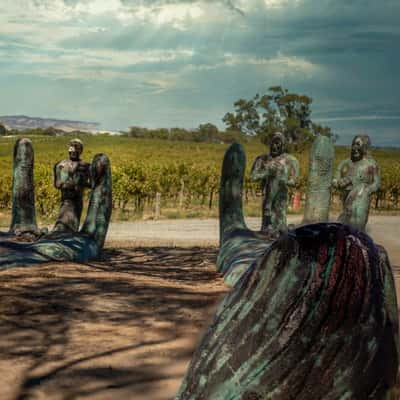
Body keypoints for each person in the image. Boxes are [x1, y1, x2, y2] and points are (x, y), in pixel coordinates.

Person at [250, 132, 299, 232]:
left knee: (280, 224)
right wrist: (266, 172)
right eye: (273, 143)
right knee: (267, 227)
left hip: (281, 197)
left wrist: (285, 181)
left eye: (278, 144)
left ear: (283, 145)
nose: (274, 146)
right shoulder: (262, 159)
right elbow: (253, 176)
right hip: (267, 195)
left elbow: (294, 181)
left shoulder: (291, 160)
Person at [332, 134, 380, 231]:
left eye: (358, 145)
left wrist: (367, 190)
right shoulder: (344, 163)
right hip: (346, 203)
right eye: (353, 145)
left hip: (361, 202)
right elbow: (334, 180)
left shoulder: (372, 164)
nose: (355, 148)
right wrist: (338, 183)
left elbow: (377, 183)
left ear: (365, 147)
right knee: (345, 227)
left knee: (357, 227)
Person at [53, 139, 91, 232]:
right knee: (63, 223)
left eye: (76, 151)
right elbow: (57, 184)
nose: (73, 153)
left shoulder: (86, 166)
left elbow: (92, 184)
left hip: (77, 201)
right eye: (71, 151)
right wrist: (67, 182)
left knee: (73, 226)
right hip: (66, 201)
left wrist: (80, 182)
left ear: (80, 151)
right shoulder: (60, 165)